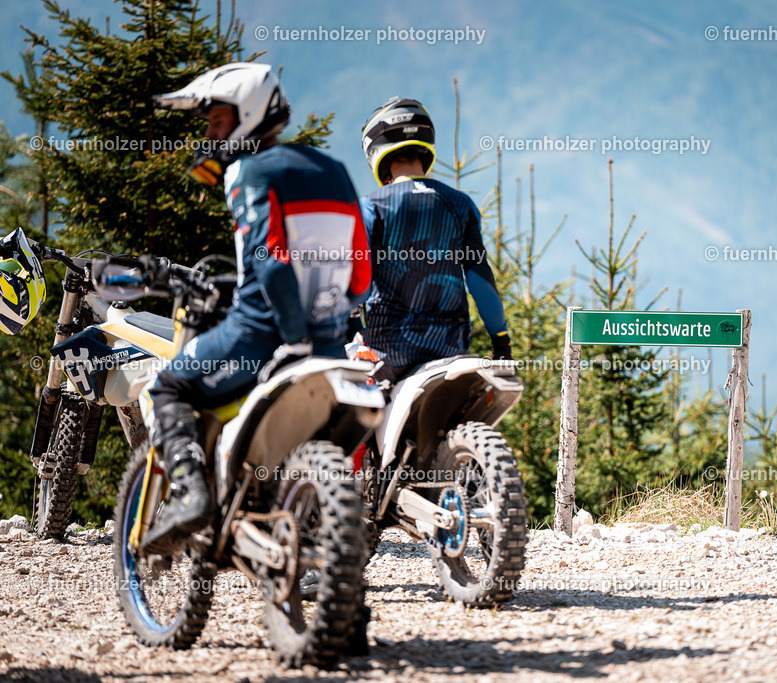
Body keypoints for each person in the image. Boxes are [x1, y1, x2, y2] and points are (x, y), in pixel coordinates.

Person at [140, 62, 371, 553]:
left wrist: (294, 336)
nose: (209, 134)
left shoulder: (247, 170)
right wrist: (326, 321)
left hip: (261, 335)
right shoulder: (335, 170)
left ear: (247, 113)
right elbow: (361, 273)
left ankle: (191, 496)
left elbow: (271, 260)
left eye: (216, 121)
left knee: (169, 385)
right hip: (333, 346)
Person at [356, 96, 512, 388]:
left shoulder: (371, 207)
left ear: (375, 149)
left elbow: (354, 281)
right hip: (451, 350)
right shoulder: (460, 204)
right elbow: (480, 280)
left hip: (388, 353)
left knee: (340, 401)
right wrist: (501, 342)